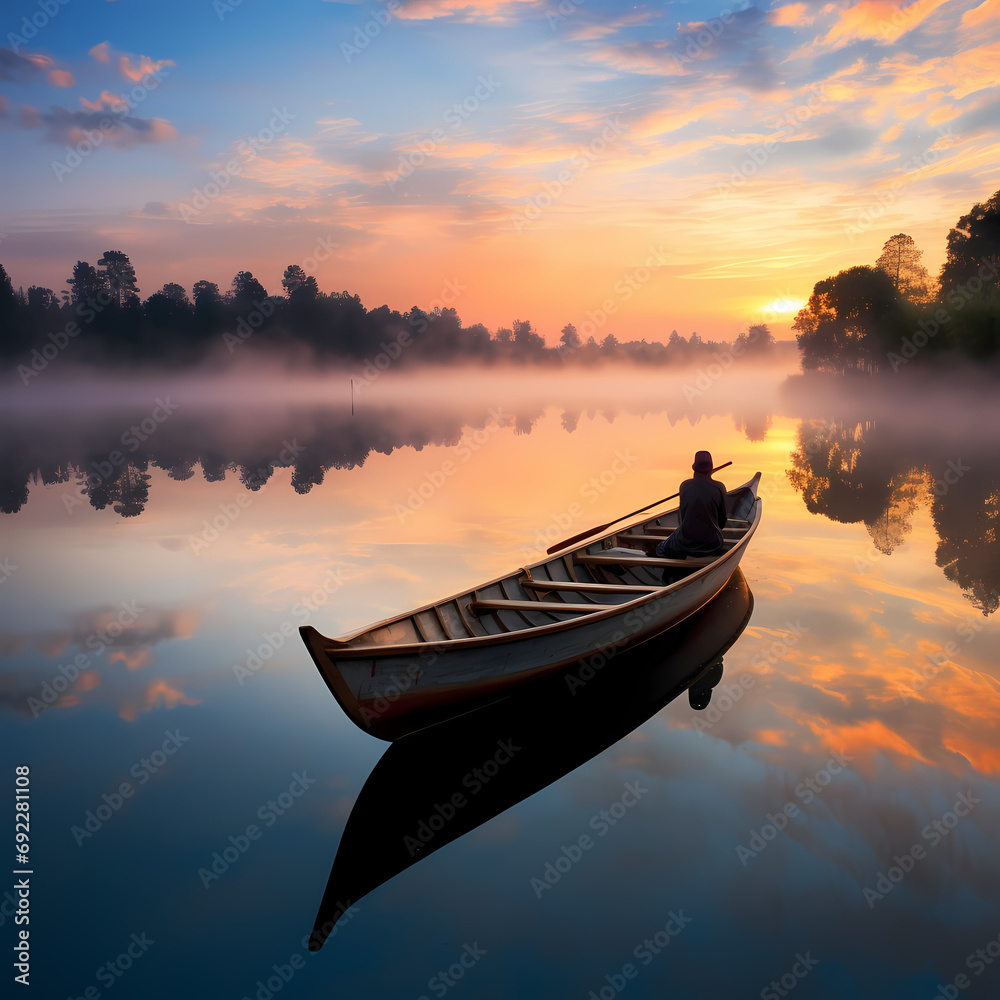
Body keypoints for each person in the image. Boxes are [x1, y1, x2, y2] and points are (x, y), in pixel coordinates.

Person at [654, 451, 727, 559]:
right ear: (711, 468)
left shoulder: (684, 486)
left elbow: (682, 520)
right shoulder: (720, 487)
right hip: (713, 544)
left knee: (660, 548)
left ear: (694, 468)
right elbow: (722, 523)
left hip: (686, 545)